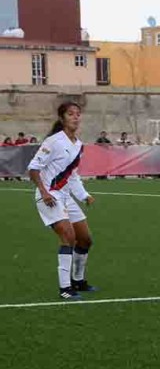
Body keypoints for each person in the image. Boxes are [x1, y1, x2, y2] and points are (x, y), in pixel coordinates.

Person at [27, 102, 97, 300]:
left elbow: (72, 175)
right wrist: (44, 192)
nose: (75, 117)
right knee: (68, 237)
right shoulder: (53, 141)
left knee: (85, 239)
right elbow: (33, 169)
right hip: (49, 195)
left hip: (65, 196)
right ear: (62, 118)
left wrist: (84, 195)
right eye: (70, 114)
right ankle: (65, 289)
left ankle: (78, 281)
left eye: (77, 114)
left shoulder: (78, 145)